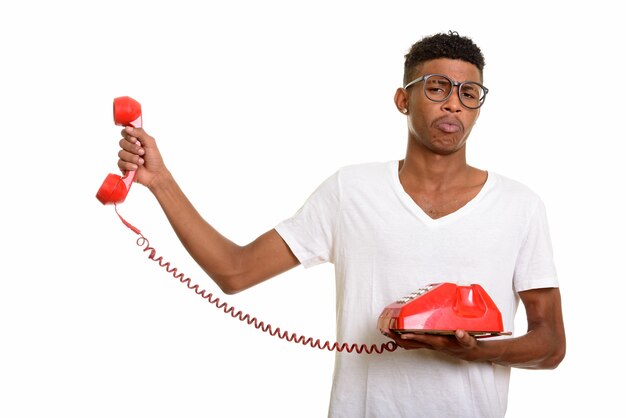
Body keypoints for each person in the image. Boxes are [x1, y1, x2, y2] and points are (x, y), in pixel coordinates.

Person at [115, 31, 566, 418]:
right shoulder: (350, 190)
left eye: (469, 93)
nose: (453, 103)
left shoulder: (519, 206)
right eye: (436, 87)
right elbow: (234, 270)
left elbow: (550, 345)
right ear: (402, 99)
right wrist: (161, 182)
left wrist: (475, 351)